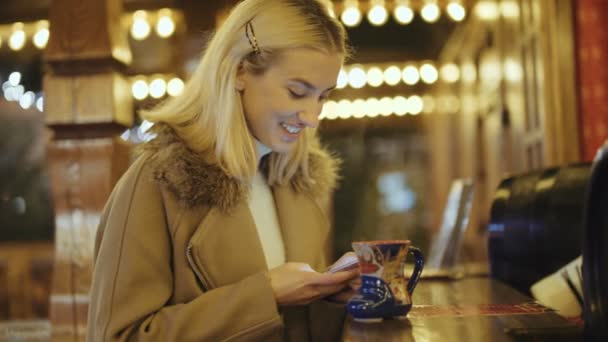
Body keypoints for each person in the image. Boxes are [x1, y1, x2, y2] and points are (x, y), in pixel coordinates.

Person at [86, 0, 359, 341]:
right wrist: (264, 295)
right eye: (297, 92)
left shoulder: (297, 182)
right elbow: (120, 336)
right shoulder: (159, 180)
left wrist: (334, 298)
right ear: (240, 71)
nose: (312, 117)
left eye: (322, 97)